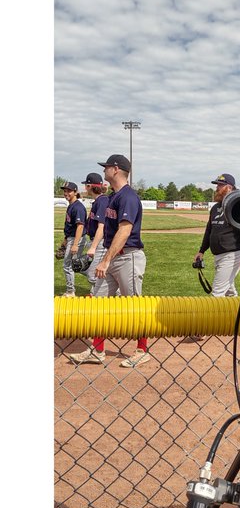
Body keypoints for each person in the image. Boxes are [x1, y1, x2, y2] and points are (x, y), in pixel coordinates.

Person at [67, 154, 151, 368]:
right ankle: (97, 350)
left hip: (128, 256)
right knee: (99, 302)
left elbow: (125, 230)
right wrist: (104, 258)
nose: (104, 171)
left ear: (115, 169)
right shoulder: (113, 197)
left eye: (106, 167)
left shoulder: (128, 197)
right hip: (113, 257)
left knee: (134, 305)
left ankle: (142, 350)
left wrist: (105, 261)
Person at [196, 173, 240, 297]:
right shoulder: (215, 207)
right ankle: (236, 312)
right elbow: (209, 229)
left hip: (232, 255)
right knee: (229, 292)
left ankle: (211, 316)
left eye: (220, 185)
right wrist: (201, 250)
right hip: (219, 255)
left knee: (217, 292)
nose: (217, 188)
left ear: (229, 188)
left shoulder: (237, 206)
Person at [80, 172, 110, 297]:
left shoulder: (102, 201)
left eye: (86, 185)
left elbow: (101, 227)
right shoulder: (98, 201)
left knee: (93, 274)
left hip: (100, 243)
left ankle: (118, 295)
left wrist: (93, 247)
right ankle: (95, 292)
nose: (84, 188)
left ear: (90, 186)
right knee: (84, 267)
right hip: (95, 241)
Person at [58, 181, 87, 297]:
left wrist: (75, 244)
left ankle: (70, 291)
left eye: (69, 191)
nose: (66, 193)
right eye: (65, 191)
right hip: (71, 237)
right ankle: (95, 278)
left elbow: (80, 226)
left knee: (68, 265)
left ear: (75, 192)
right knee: (76, 265)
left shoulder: (78, 207)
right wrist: (65, 239)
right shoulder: (71, 205)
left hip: (76, 238)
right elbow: (71, 225)